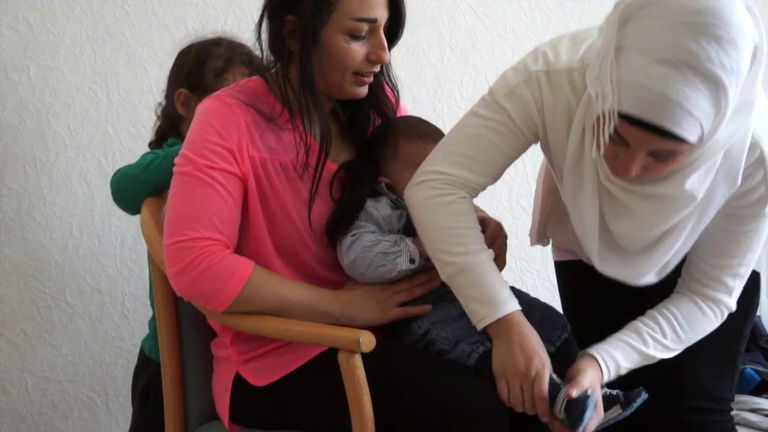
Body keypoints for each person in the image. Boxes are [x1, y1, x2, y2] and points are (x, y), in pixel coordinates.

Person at [162, 1, 558, 431]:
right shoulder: (227, 118)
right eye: (358, 34)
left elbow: (419, 190)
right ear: (294, 34)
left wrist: (468, 222)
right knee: (479, 409)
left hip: (398, 326)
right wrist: (340, 308)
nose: (382, 54)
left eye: (385, 32)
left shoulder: (376, 107)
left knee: (542, 371)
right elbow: (195, 264)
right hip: (279, 357)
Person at [404, 1, 768, 431]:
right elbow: (437, 187)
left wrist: (602, 361)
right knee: (610, 415)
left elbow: (707, 296)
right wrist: (503, 322)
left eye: (662, 155)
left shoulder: (752, 150)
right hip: (587, 240)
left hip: (702, 268)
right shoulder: (555, 76)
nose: (627, 169)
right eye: (614, 134)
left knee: (696, 416)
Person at [327, 114, 649, 432]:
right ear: (388, 186)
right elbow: (357, 256)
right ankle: (555, 398)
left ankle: (587, 390)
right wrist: (418, 248)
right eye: (425, 175)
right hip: (426, 311)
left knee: (544, 320)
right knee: (483, 353)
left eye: (443, 171)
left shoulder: (443, 201)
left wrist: (480, 232)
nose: (437, 183)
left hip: (468, 293)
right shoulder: (379, 208)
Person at [110, 36, 260, 432]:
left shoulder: (250, 161)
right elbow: (123, 187)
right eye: (230, 107)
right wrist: (208, 145)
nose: (243, 121)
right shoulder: (173, 159)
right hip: (169, 355)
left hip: (237, 337)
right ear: (185, 103)